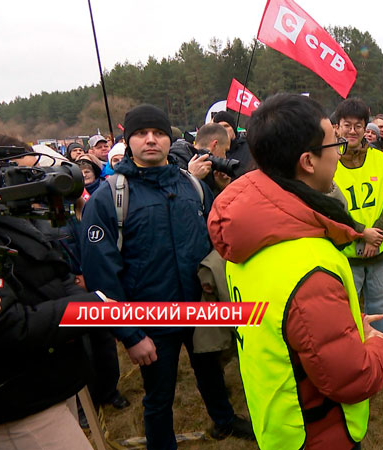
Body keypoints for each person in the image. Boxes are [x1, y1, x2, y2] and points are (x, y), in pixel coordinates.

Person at [208, 94, 383, 448]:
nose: (340, 152)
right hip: (317, 433)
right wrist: (374, 346)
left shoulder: (249, 232)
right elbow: (352, 378)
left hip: (277, 416)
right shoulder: (310, 265)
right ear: (308, 161)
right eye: (334, 143)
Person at [81, 104, 253, 448]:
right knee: (158, 394)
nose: (150, 140)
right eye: (141, 134)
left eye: (158, 133)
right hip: (152, 317)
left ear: (168, 138)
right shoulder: (109, 197)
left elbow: (212, 242)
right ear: (128, 141)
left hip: (199, 309)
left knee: (211, 373)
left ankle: (224, 420)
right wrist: (129, 334)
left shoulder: (192, 184)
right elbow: (102, 274)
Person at [0, 135, 113, 449]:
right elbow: (10, 324)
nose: (33, 185)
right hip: (17, 402)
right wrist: (91, 308)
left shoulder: (11, 218)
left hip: (49, 380)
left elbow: (53, 274)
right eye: (21, 174)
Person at [333, 98, 383, 332]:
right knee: (344, 308)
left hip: (379, 250)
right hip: (347, 254)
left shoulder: (380, 159)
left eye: (358, 125)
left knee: (379, 304)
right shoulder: (329, 162)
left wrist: (376, 235)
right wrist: (361, 233)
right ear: (337, 127)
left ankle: (378, 350)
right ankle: (351, 353)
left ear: (365, 128)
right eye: (347, 125)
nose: (352, 131)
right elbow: (328, 208)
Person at [211, 110, 256, 179]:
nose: (223, 130)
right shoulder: (214, 152)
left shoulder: (250, 148)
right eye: (219, 127)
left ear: (233, 128)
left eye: (226, 126)